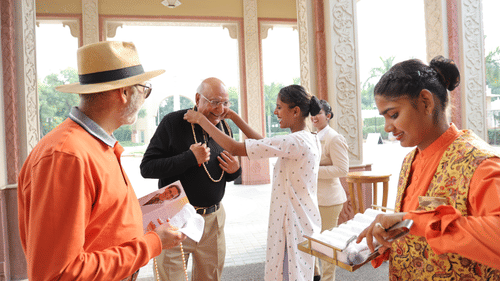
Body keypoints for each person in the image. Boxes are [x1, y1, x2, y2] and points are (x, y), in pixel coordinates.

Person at [17, 41, 186, 281]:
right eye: (144, 89)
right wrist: (152, 243)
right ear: (125, 93)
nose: (145, 98)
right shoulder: (67, 156)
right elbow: (59, 273)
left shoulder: (94, 145)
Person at [357, 56, 500, 279]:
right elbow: (413, 225)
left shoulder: (480, 163)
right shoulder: (410, 160)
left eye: (394, 114)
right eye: (384, 117)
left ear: (426, 102)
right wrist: (388, 236)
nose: (387, 127)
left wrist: (415, 222)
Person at [184, 84, 323, 281]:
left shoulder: (295, 142)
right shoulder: (306, 139)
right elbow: (263, 143)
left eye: (279, 107)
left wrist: (200, 120)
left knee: (290, 275)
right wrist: (234, 117)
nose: (275, 112)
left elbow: (234, 147)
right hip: (300, 220)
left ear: (296, 111)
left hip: (292, 224)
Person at [140, 77, 242, 280]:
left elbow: (225, 173)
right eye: (214, 102)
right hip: (175, 220)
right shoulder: (173, 122)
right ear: (198, 98)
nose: (220, 109)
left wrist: (236, 171)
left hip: (213, 221)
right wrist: (189, 158)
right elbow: (147, 168)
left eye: (225, 103)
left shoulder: (224, 127)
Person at [310, 100, 349, 281]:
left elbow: (342, 169)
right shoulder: (313, 136)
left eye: (318, 113)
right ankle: (316, 274)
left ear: (328, 116)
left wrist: (313, 171)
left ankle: (328, 279)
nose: (314, 117)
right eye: (311, 113)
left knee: (327, 244)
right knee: (313, 240)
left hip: (329, 200)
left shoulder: (334, 138)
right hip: (313, 199)